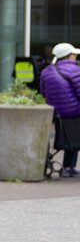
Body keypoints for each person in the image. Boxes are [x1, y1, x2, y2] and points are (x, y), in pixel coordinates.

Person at [39, 42, 80, 177]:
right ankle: (69, 166)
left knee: (69, 137)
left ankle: (68, 167)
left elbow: (44, 93)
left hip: (57, 114)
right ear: (68, 56)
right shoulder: (74, 70)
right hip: (75, 112)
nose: (76, 57)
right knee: (74, 137)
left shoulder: (46, 71)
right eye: (74, 55)